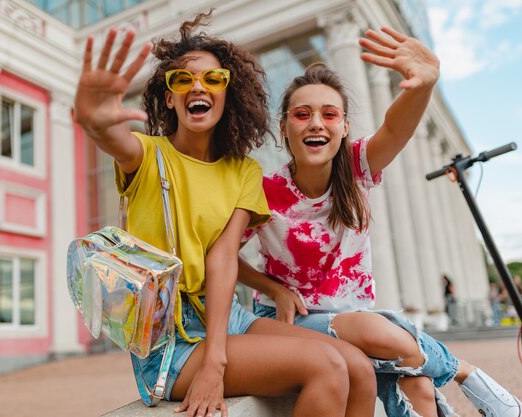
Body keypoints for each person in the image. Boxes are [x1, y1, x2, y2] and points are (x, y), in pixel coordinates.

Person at [73, 12, 377, 417]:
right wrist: (91, 115)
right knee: (328, 366)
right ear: (169, 97)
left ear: (227, 93)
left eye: (212, 79)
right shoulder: (147, 155)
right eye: (182, 79)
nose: (197, 86)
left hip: (226, 316)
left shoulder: (243, 171)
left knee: (359, 366)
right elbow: (106, 133)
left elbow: (222, 259)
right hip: (169, 339)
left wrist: (269, 294)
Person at [239, 27, 522, 417]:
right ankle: (466, 373)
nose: (316, 123)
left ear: (343, 127)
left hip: (359, 317)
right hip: (291, 321)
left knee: (418, 384)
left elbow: (395, 128)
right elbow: (222, 258)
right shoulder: (264, 191)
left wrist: (422, 87)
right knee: (377, 331)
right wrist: (274, 288)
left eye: (329, 114)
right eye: (301, 115)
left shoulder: (356, 167)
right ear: (285, 127)